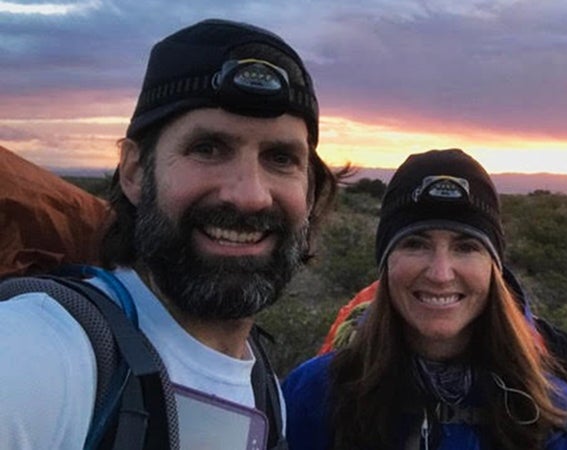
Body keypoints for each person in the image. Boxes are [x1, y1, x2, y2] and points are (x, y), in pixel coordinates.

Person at [0, 18, 337, 450]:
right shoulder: (45, 356)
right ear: (136, 172)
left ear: (309, 191)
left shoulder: (265, 390)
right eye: (208, 148)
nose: (250, 196)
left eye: (280, 158)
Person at [282, 148, 567, 449]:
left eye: (466, 247)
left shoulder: (559, 419)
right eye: (415, 244)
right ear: (386, 263)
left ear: (494, 269)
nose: (440, 273)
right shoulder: (314, 396)